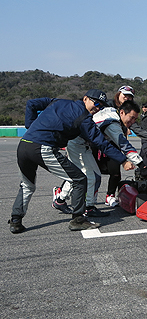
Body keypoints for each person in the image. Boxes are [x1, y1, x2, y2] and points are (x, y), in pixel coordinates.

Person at [9, 89, 132, 233]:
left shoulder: (58, 101)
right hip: (42, 148)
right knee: (80, 179)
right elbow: (101, 143)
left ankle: (16, 221)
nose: (97, 108)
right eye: (96, 103)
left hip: (23, 145)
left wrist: (30, 127)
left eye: (100, 106)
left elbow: (32, 104)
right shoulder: (84, 119)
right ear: (85, 98)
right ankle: (78, 219)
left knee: (27, 185)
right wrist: (123, 160)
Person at [53, 101, 147, 217]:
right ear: (122, 112)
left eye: (135, 119)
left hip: (80, 143)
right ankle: (88, 207)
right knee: (90, 176)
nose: (133, 122)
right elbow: (124, 145)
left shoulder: (111, 112)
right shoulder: (113, 124)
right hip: (77, 143)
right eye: (132, 118)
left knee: (85, 175)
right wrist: (141, 165)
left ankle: (60, 200)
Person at [101, 85, 147, 207]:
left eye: (130, 96)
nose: (127, 98)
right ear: (118, 94)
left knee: (114, 172)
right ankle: (64, 195)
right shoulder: (107, 108)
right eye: (124, 95)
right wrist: (141, 165)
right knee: (87, 173)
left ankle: (108, 196)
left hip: (111, 144)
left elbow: (134, 128)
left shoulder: (129, 112)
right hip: (95, 143)